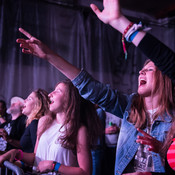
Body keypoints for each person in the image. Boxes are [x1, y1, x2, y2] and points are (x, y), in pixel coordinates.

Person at [15, 0, 175, 174]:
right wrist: (49, 56)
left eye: (149, 70)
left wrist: (163, 150)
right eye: (140, 70)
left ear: (166, 78)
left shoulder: (172, 115)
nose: (140, 73)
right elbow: (89, 86)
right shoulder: (130, 106)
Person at [0, 79, 102, 175]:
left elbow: (85, 172)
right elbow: (36, 158)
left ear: (70, 98)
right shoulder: (43, 122)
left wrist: (53, 165)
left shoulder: (79, 129)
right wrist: (17, 153)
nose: (50, 94)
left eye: (58, 91)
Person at [20, 88, 50, 153]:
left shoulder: (35, 123)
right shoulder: (32, 123)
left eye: (29, 99)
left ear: (38, 105)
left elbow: (37, 154)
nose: (24, 100)